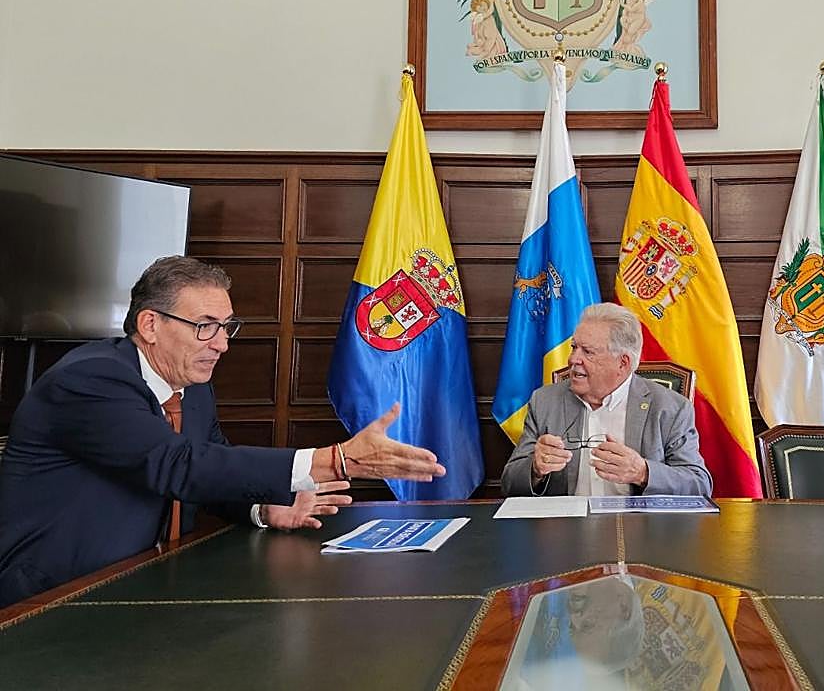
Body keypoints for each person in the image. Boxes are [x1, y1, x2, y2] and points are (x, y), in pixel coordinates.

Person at [0, 256, 446, 607]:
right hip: (51, 596)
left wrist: (261, 508)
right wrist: (330, 460)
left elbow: (209, 470)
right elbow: (176, 465)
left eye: (226, 327)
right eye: (205, 327)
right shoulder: (91, 379)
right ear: (150, 325)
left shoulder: (192, 389)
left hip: (142, 588)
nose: (222, 343)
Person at [500, 303, 711, 497]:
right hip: (565, 531)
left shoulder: (670, 408)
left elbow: (699, 484)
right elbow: (509, 484)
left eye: (588, 352)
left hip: (638, 530)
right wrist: (535, 469)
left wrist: (643, 473)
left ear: (623, 363)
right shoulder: (545, 401)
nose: (573, 359)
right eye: (574, 347)